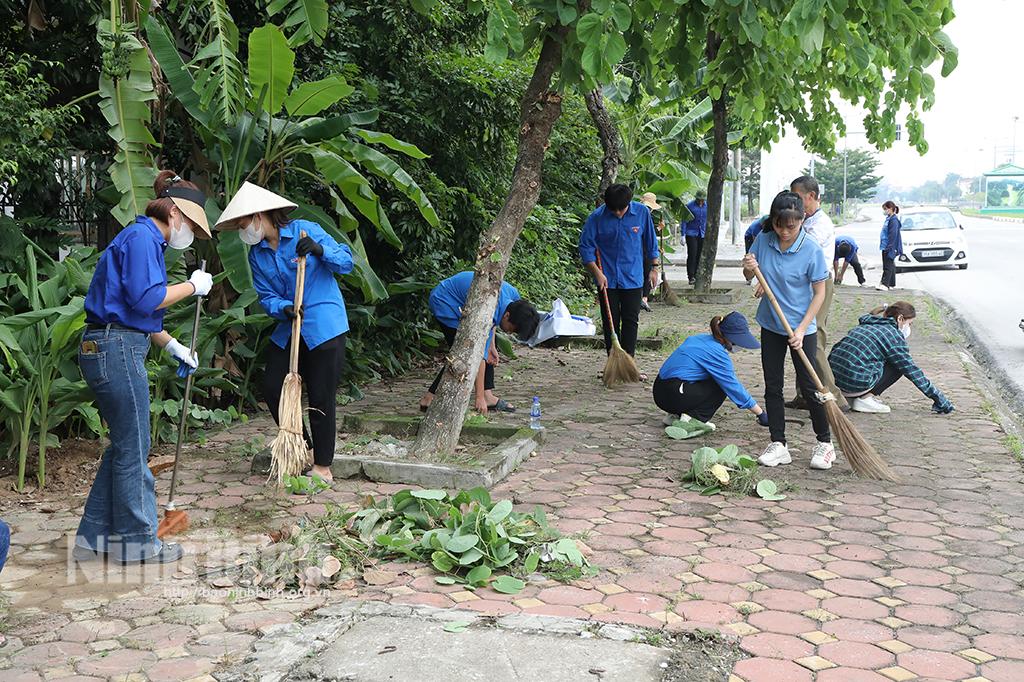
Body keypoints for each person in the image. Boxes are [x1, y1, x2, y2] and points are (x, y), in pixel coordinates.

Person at [75, 170, 214, 564]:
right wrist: (193, 286)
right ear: (173, 212)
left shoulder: (141, 240)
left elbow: (132, 311)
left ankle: (93, 537)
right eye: (187, 222)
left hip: (111, 343)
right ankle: (138, 543)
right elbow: (146, 298)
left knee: (123, 446)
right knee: (135, 448)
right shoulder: (142, 239)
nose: (187, 232)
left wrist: (172, 346)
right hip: (115, 349)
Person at [216, 182, 352, 484]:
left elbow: (347, 262)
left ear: (260, 215)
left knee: (320, 394)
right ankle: (301, 447)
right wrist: (284, 307)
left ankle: (323, 467)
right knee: (272, 385)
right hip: (290, 327)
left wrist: (320, 250)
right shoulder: (257, 254)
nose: (243, 229)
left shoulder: (305, 229)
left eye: (243, 222)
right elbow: (265, 296)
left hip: (324, 325)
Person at [742, 191, 836, 470]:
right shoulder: (763, 240)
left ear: (802, 220)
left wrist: (803, 328)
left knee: (810, 386)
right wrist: (748, 269)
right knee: (773, 384)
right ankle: (779, 444)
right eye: (779, 225)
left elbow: (819, 294)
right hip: (771, 324)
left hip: (801, 327)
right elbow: (750, 276)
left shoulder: (811, 250)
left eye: (791, 226)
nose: (784, 231)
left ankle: (825, 443)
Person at [420, 271, 539, 414]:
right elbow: (477, 353)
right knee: (463, 355)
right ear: (507, 315)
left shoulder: (513, 297)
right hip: (446, 302)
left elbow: (492, 322)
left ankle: (488, 396)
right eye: (511, 330)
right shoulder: (489, 310)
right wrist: (479, 397)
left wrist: (492, 346)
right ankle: (429, 398)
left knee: (483, 348)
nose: (509, 333)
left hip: (471, 305)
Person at [579, 183, 659, 359]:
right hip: (606, 279)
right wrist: (596, 273)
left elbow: (651, 242)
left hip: (633, 277)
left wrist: (654, 268)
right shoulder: (597, 218)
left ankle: (629, 362)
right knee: (610, 322)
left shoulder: (642, 213)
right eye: (613, 210)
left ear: (629, 203)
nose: (617, 213)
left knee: (631, 320)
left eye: (621, 209)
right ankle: (613, 361)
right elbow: (586, 248)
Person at [830, 302, 954, 414]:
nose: (909, 328)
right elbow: (913, 371)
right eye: (909, 323)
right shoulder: (892, 336)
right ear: (900, 319)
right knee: (899, 365)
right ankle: (864, 399)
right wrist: (940, 399)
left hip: (833, 380)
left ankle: (852, 397)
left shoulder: (867, 324)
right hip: (854, 383)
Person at [788, 176, 847, 410]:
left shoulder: (820, 224)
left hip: (819, 286)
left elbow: (801, 248)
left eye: (798, 197)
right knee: (797, 338)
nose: (796, 202)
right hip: (801, 285)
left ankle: (834, 397)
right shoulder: (806, 220)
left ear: (811, 196)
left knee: (814, 338)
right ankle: (805, 393)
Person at [653, 312, 768, 426]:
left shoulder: (699, 339)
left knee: (710, 378)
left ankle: (674, 416)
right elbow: (733, 386)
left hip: (660, 390)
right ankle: (693, 420)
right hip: (673, 394)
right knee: (720, 385)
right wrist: (761, 413)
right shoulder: (716, 352)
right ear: (730, 338)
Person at [639, 192, 663, 312]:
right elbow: (649, 234)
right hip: (644, 250)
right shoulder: (645, 212)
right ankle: (643, 299)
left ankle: (642, 298)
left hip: (641, 250)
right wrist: (658, 229)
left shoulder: (639, 211)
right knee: (647, 274)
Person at [681, 190, 707, 284]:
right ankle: (691, 276)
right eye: (699, 200)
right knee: (692, 254)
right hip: (691, 233)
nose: (701, 202)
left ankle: (697, 275)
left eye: (702, 200)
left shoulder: (707, 206)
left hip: (702, 233)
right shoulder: (690, 206)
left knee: (700, 255)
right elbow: (684, 221)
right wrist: (682, 235)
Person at [877, 201, 903, 291]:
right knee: (890, 264)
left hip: (889, 246)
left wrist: (890, 247)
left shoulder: (894, 220)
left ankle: (885, 284)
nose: (884, 211)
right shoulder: (889, 218)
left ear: (891, 209)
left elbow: (893, 235)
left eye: (885, 209)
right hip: (885, 245)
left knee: (887, 265)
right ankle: (891, 283)